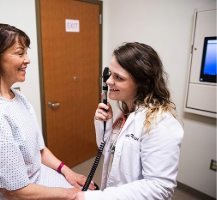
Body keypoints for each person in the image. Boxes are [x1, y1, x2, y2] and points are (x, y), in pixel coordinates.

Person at [0, 23, 95, 200]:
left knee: (92, 191)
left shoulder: (17, 98)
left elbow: (38, 150)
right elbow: (14, 192)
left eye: (26, 52)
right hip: (22, 194)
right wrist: (69, 194)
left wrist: (67, 172)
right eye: (19, 53)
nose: (28, 59)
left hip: (37, 180)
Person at [75, 42, 184, 200]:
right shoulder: (126, 112)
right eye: (110, 74)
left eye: (118, 77)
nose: (108, 82)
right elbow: (109, 153)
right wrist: (104, 124)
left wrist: (97, 198)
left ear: (144, 82)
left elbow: (159, 187)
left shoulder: (161, 123)